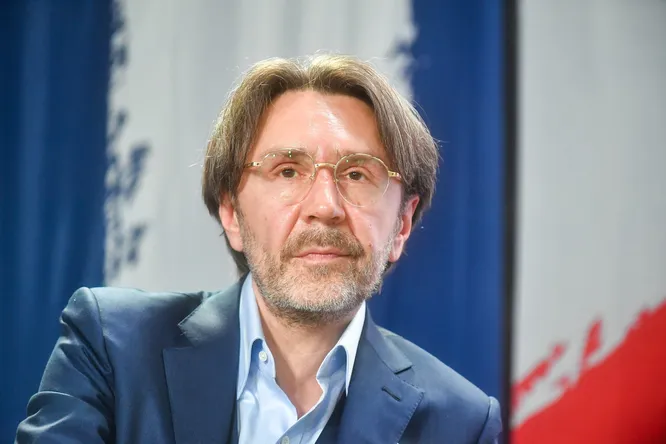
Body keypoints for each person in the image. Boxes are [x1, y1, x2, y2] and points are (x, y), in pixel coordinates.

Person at [16, 54, 502, 444]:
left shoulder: (461, 422)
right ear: (232, 212)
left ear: (402, 224)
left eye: (357, 174)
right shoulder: (111, 348)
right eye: (287, 170)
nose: (326, 207)